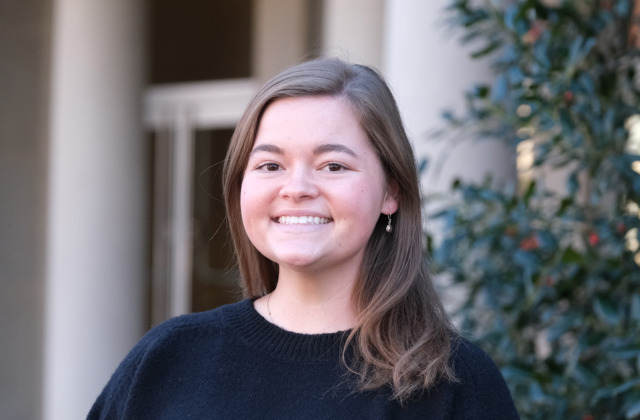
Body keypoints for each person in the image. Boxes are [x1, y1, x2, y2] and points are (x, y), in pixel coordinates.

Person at [88, 58, 520, 419]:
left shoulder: (455, 384)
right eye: (270, 166)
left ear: (392, 192)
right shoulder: (167, 360)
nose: (296, 188)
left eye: (333, 166)